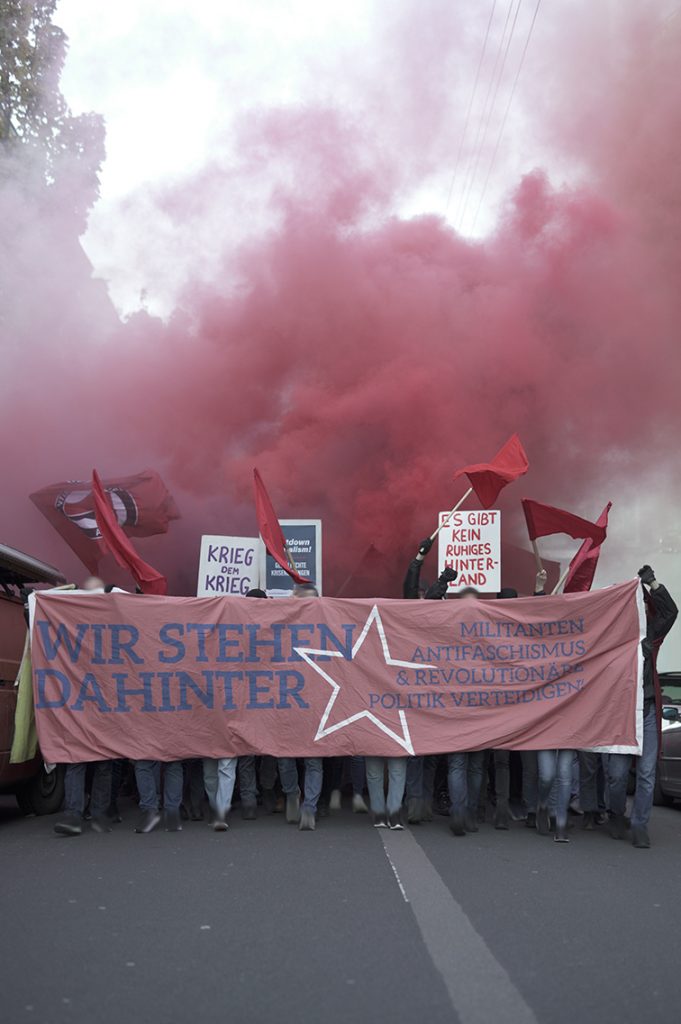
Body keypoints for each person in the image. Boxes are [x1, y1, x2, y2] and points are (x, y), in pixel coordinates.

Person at [607, 566, 677, 848]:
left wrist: (653, 583)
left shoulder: (650, 636)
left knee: (647, 772)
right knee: (617, 774)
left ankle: (640, 825)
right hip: (621, 714)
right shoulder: (610, 638)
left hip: (647, 711)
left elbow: (670, 613)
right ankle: (615, 813)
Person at [53, 576, 112, 837]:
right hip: (99, 708)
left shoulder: (75, 622)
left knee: (81, 762)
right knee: (98, 763)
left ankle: (76, 814)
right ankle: (94, 814)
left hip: (84, 707)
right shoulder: (114, 625)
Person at [277, 582, 325, 831]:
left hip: (316, 705)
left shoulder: (328, 624)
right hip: (287, 703)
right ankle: (292, 794)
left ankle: (310, 808)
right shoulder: (282, 623)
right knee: (285, 757)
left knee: (313, 761)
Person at [447, 586, 485, 836]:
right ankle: (466, 813)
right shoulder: (488, 634)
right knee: (467, 766)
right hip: (472, 710)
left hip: (470, 711)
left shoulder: (448, 631)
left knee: (465, 766)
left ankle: (462, 812)